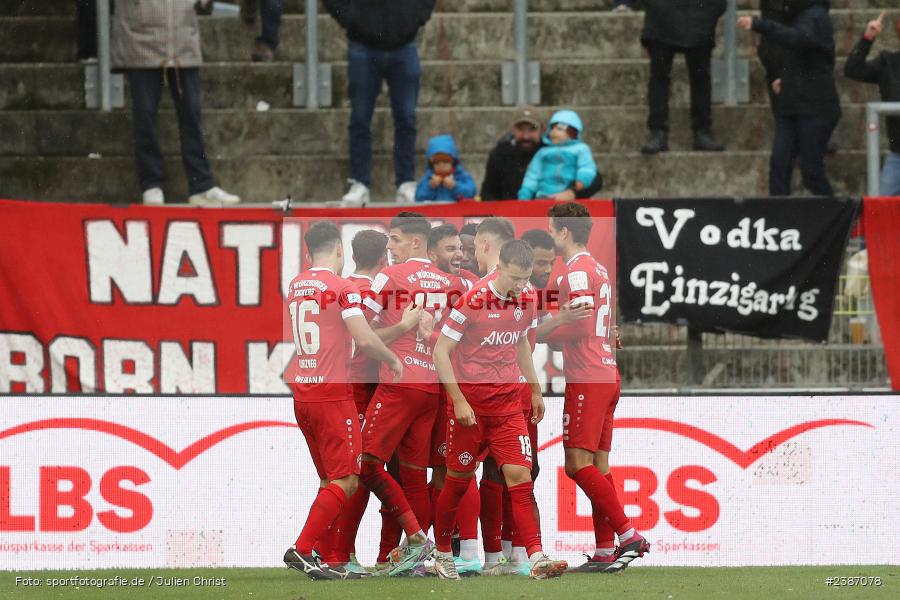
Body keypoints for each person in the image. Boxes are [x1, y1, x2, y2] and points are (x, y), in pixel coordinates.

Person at [432, 239, 568, 580]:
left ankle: (536, 557)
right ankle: (442, 552)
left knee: (521, 477)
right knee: (458, 481)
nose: (521, 285)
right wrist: (459, 400)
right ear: (499, 268)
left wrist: (534, 388)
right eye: (515, 278)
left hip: (507, 406)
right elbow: (440, 352)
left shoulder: (528, 297)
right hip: (471, 409)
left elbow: (521, 341)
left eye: (525, 278)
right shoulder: (473, 300)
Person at [283, 220, 403, 580]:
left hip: (303, 393)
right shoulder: (343, 288)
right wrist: (393, 359)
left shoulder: (296, 284)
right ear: (339, 249)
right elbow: (364, 340)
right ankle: (303, 549)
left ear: (308, 253)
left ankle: (324, 556)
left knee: (328, 481)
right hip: (334, 396)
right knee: (348, 479)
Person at [539, 202, 649, 574]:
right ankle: (604, 550)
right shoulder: (598, 269)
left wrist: (539, 332)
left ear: (564, 232)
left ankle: (628, 535)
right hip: (605, 372)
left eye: (552, 230)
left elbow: (580, 326)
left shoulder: (576, 272)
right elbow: (593, 327)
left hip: (588, 376)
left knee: (576, 465)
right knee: (598, 466)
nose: (550, 236)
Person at [359, 212, 467, 576]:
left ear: (416, 241)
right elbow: (459, 342)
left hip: (398, 383)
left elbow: (359, 330)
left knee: (367, 464)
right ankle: (409, 561)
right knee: (414, 476)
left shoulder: (390, 276)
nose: (389, 246)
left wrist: (400, 328)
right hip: (431, 389)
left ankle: (417, 538)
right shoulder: (454, 284)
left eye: (395, 239)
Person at [111, 0, 240, 206]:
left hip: (182, 39)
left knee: (192, 114)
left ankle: (201, 185)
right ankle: (151, 184)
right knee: (145, 117)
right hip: (141, 40)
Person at [320, 229, 388, 575]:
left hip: (338, 386)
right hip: (364, 389)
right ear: (384, 258)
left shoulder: (341, 286)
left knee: (339, 476)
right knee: (356, 474)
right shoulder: (374, 292)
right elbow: (370, 340)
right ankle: (341, 553)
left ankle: (327, 549)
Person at [323, 0, 436, 206]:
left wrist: (413, 18)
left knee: (406, 118)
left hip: (403, 44)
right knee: (360, 118)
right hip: (363, 45)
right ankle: (360, 182)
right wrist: (352, 18)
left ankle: (406, 182)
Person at [739, 1, 841, 196]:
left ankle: (835, 212)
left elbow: (800, 39)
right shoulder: (799, 17)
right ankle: (778, 212)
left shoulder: (816, 16)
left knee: (811, 172)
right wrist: (787, 78)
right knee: (779, 164)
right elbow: (800, 56)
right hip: (792, 105)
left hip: (814, 108)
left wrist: (760, 24)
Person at [640, 0, 727, 154]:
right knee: (659, 77)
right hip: (660, 17)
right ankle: (658, 131)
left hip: (700, 16)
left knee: (700, 77)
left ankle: (702, 129)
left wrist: (711, 11)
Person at [481, 107, 604, 201]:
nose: (526, 136)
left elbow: (594, 178)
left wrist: (573, 193)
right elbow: (488, 193)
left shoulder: (554, 148)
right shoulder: (499, 154)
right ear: (513, 130)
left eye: (532, 129)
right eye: (520, 129)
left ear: (543, 130)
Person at [845, 11, 900, 196]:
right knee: (879, 205)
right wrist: (867, 38)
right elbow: (853, 70)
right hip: (898, 155)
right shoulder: (888, 62)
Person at [517, 110, 597, 200]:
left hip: (569, 197)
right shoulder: (542, 152)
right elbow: (532, 174)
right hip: (543, 196)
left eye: (559, 129)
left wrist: (583, 179)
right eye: (552, 128)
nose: (553, 132)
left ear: (573, 133)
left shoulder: (581, 149)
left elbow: (587, 166)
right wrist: (525, 192)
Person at [415, 135, 477, 202]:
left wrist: (455, 186)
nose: (441, 165)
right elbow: (418, 198)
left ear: (453, 161)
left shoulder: (461, 176)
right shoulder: (428, 178)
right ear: (431, 164)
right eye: (436, 162)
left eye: (445, 160)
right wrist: (430, 187)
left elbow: (471, 192)